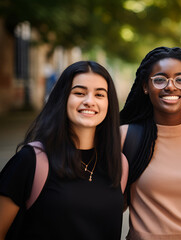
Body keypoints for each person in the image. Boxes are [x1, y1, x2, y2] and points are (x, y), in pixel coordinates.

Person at [0, 61, 127, 240]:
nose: (89, 101)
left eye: (99, 94)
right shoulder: (32, 160)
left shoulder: (118, 163)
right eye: (79, 93)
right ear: (63, 98)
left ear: (109, 103)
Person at [120, 46, 181, 240]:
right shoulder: (125, 136)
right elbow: (109, 203)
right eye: (160, 79)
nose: (171, 86)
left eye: (180, 79)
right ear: (145, 86)